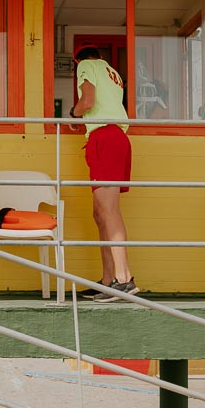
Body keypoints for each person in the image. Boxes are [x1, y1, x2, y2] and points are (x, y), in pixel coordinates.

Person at [70, 42, 137, 302]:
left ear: (78, 61)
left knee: (108, 210)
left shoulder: (86, 66)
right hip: (114, 137)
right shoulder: (113, 73)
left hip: (105, 137)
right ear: (99, 55)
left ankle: (124, 279)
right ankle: (109, 280)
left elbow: (87, 101)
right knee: (99, 212)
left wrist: (73, 114)